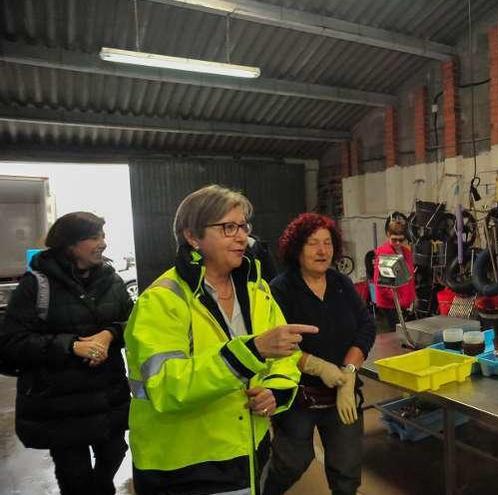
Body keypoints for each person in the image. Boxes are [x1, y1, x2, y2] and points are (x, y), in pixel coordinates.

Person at [124, 184, 314, 495]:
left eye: (243, 226)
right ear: (192, 237)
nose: (242, 237)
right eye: (228, 227)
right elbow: (167, 386)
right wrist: (248, 352)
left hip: (248, 453)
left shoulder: (257, 291)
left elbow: (286, 356)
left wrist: (275, 391)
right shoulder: (163, 300)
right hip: (185, 467)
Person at [0, 211, 133, 495]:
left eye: (103, 235)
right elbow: (11, 343)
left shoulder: (111, 279)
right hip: (60, 406)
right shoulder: (36, 284)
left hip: (107, 397)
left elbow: (132, 323)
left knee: (115, 453)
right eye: (94, 237)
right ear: (69, 244)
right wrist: (72, 345)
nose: (103, 243)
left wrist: (109, 334)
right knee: (75, 476)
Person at [263, 213, 376, 495]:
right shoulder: (280, 289)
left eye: (327, 243)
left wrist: (349, 373)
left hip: (342, 392)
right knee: (291, 462)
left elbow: (366, 326)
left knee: (347, 470)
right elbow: (277, 344)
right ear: (297, 248)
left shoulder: (341, 283)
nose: (322, 250)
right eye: (313, 243)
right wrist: (316, 366)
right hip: (298, 397)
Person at [372, 219, 415, 330]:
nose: (397, 243)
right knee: (396, 336)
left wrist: (413, 297)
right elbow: (381, 283)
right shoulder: (384, 252)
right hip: (390, 304)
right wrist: (398, 300)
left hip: (403, 302)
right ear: (388, 235)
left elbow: (409, 277)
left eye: (400, 240)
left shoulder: (407, 252)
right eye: (394, 240)